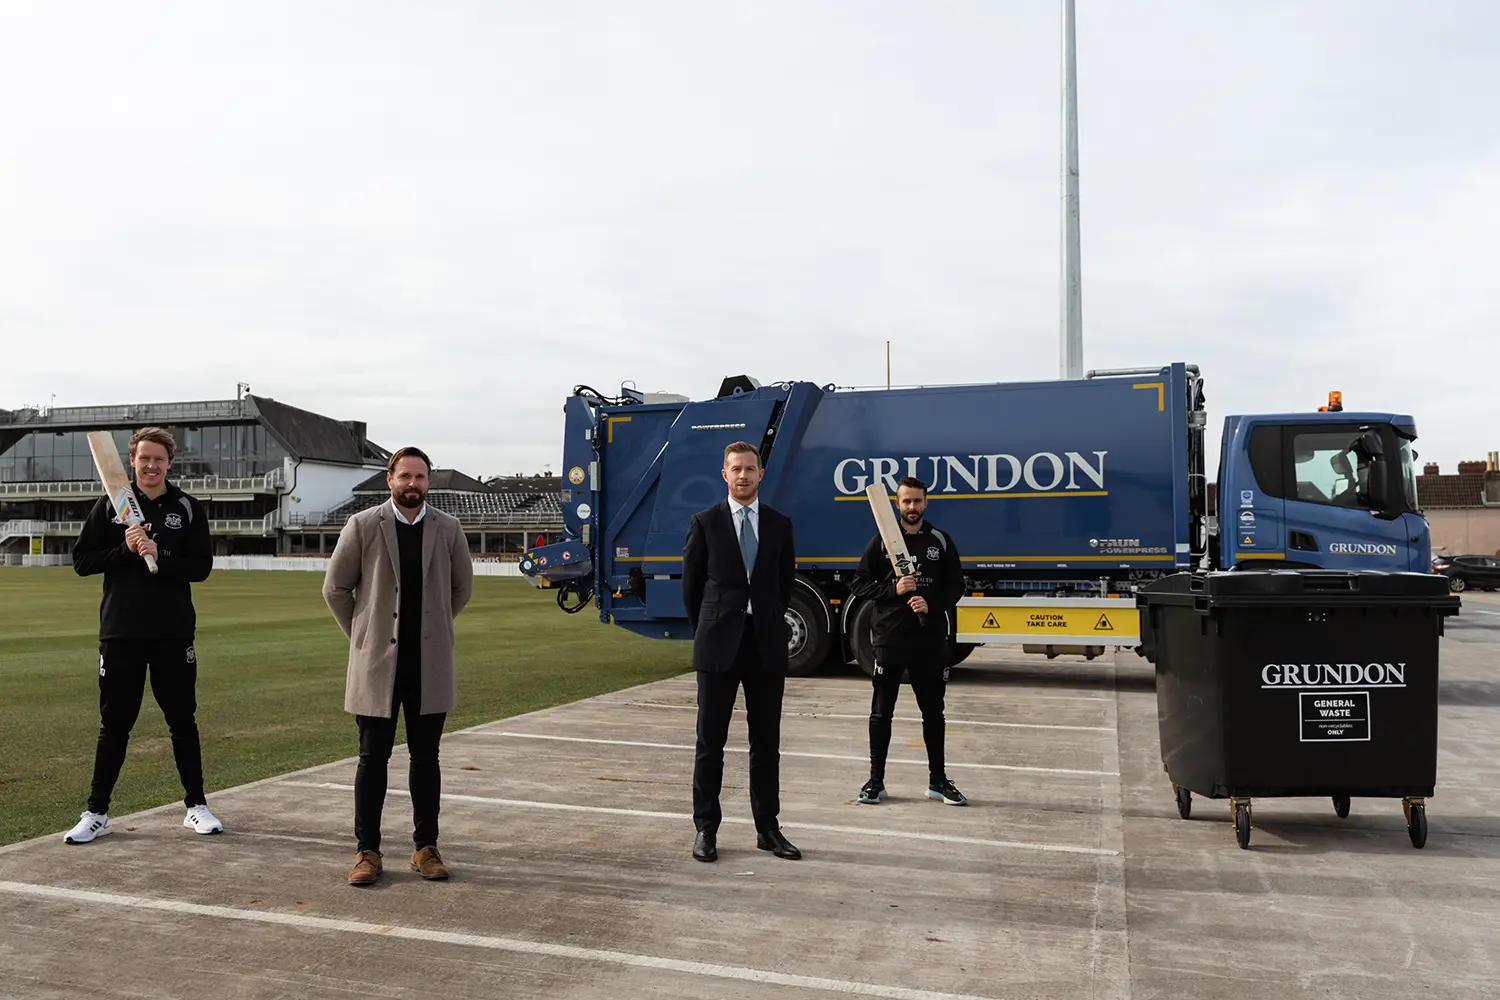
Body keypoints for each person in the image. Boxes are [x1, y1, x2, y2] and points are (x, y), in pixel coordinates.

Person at [322, 446, 474, 885]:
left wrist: (433, 629)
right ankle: (366, 851)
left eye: (420, 477)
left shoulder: (448, 528)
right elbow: (336, 589)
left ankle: (425, 847)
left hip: (430, 665)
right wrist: (363, 639)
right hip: (376, 667)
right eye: (404, 476)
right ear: (389, 479)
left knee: (427, 759)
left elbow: (461, 588)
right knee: (373, 759)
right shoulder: (364, 525)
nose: (413, 484)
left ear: (429, 482)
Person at [66, 426, 221, 844]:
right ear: (131, 461)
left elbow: (201, 567)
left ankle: (196, 806)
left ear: (170, 463)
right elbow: (81, 560)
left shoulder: (187, 507)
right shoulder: (111, 505)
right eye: (143, 458)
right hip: (121, 632)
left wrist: (160, 553)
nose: (151, 466)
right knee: (114, 725)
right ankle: (96, 813)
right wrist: (125, 551)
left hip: (172, 633)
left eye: (159, 459)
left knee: (182, 721)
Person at [681, 441, 800, 862]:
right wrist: (711, 630)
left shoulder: (779, 524)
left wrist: (763, 618)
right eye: (736, 469)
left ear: (761, 474)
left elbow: (784, 585)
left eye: (750, 469)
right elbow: (692, 589)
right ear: (724, 474)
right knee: (710, 742)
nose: (744, 476)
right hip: (717, 646)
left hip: (765, 644)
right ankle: (705, 829)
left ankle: (768, 828)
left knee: (766, 743)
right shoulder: (705, 522)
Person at [848, 476, 968, 806]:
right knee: (881, 712)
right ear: (897, 504)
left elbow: (956, 585)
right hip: (890, 638)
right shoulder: (882, 541)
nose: (911, 507)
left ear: (925, 503)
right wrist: (893, 590)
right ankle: (876, 781)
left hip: (928, 639)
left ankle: (937, 781)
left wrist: (933, 603)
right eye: (905, 502)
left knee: (933, 713)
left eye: (917, 501)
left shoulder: (940, 541)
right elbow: (859, 584)